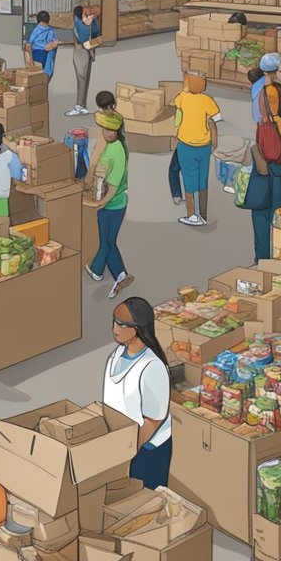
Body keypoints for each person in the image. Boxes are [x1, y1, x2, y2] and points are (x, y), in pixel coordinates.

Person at [103, 298, 173, 489]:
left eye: (121, 324)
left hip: (146, 448)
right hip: (122, 442)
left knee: (146, 502)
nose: (114, 328)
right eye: (114, 321)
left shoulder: (152, 367)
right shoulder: (116, 355)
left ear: (137, 328)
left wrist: (130, 450)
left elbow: (153, 420)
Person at [84, 111, 134, 299]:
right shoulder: (111, 146)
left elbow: (112, 186)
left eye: (111, 130)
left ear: (118, 130)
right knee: (109, 241)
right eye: (105, 129)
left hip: (114, 204)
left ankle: (95, 270)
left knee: (105, 242)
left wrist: (97, 203)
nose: (107, 133)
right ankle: (121, 274)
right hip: (109, 203)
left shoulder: (117, 151)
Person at [244, 78, 281, 262]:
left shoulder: (266, 127)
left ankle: (263, 262)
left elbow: (265, 165)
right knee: (277, 223)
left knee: (263, 225)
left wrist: (254, 151)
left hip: (265, 184)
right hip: (279, 179)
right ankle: (275, 259)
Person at [173, 75, 221, 227]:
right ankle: (204, 215)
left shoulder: (183, 98)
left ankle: (192, 215)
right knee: (202, 181)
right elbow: (217, 117)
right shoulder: (207, 100)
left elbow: (176, 103)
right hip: (204, 146)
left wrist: (186, 89)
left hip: (186, 145)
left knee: (189, 182)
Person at [68, 6, 102, 117]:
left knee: (82, 80)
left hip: (81, 53)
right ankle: (80, 105)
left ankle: (80, 106)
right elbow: (88, 35)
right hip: (82, 53)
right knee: (83, 80)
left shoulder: (80, 23)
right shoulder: (82, 24)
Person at [251, 53, 280, 127]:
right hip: (268, 123)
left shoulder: (257, 85)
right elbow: (274, 111)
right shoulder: (270, 89)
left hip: (259, 120)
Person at [28, 11, 59, 80]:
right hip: (39, 52)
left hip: (39, 52)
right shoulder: (49, 30)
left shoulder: (37, 29)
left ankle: (46, 75)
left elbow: (30, 41)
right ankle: (47, 74)